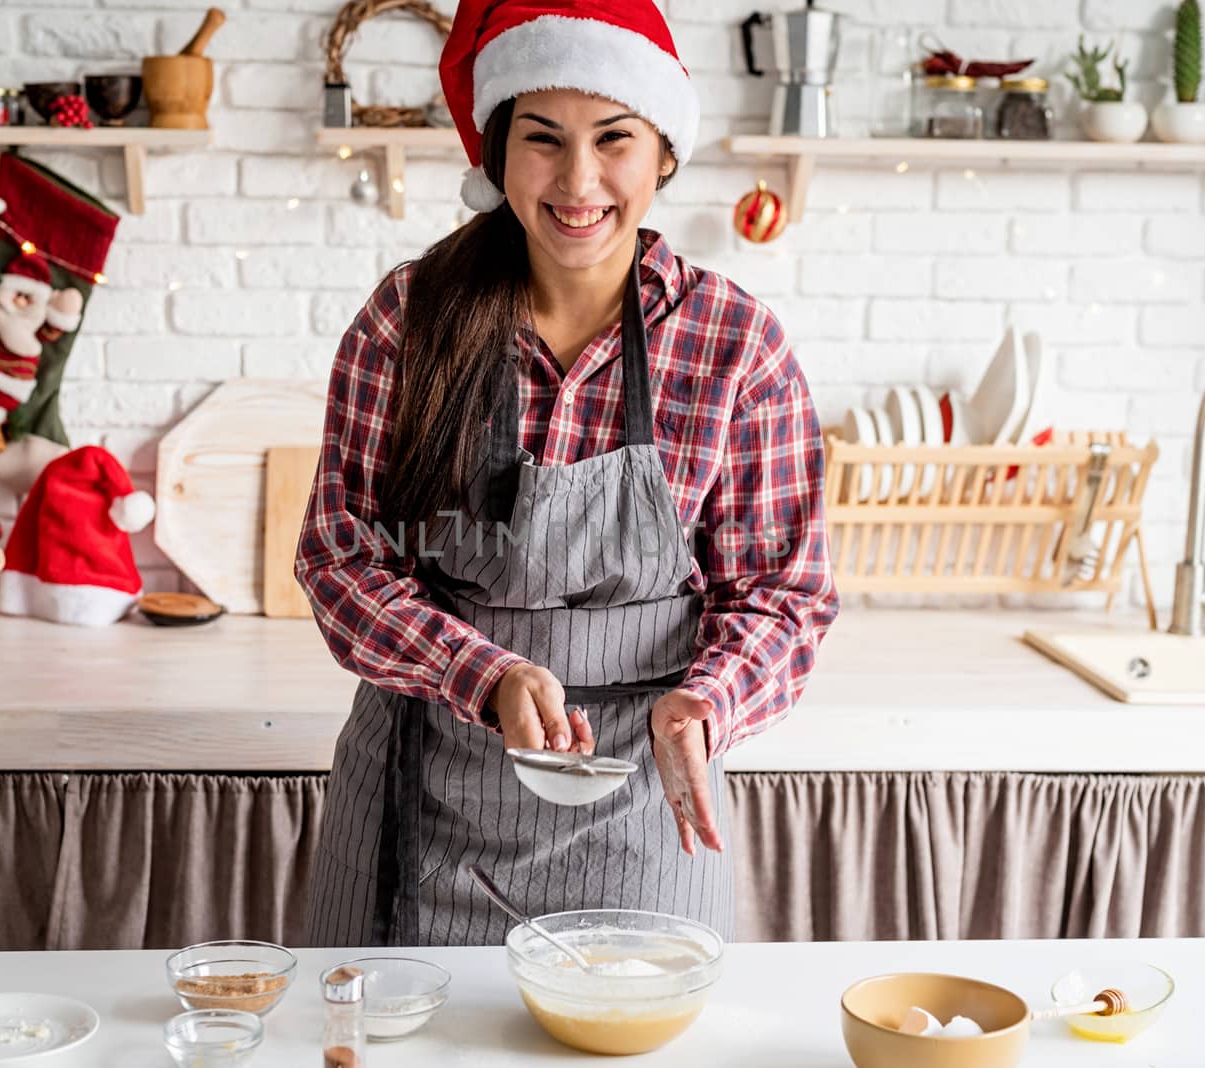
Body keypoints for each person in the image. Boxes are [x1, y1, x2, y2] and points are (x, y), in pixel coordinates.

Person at [295, 0, 838, 947]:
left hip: (645, 804)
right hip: (427, 802)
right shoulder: (408, 318)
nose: (578, 180)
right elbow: (343, 560)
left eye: (614, 140)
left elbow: (783, 595)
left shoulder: (734, 345)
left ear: (663, 152)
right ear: (499, 154)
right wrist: (485, 673)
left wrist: (704, 708)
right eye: (542, 139)